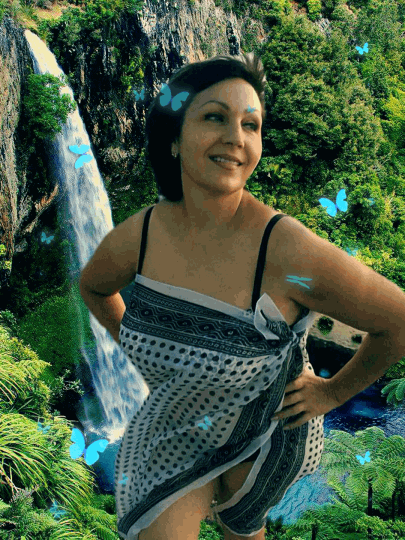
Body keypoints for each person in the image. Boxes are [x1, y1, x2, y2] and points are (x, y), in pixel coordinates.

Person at [79, 52, 405, 540]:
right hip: (179, 424)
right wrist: (145, 351)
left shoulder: (285, 249)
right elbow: (94, 285)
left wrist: (332, 393)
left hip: (263, 433)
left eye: (250, 125)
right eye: (215, 117)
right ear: (173, 138)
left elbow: (398, 319)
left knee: (240, 530)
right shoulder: (138, 236)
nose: (236, 137)